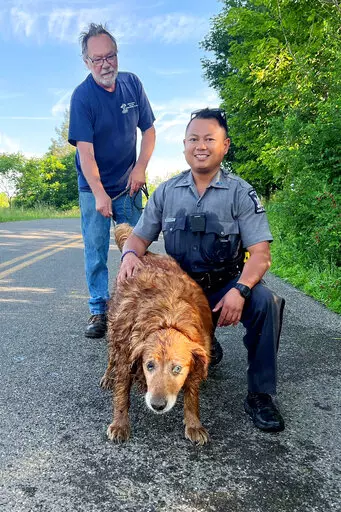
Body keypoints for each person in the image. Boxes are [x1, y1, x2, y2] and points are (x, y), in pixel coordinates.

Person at [117, 108, 285, 433]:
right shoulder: (167, 192)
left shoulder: (240, 193)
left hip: (224, 287)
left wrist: (241, 290)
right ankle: (202, 343)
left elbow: (261, 255)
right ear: (184, 146)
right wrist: (128, 255)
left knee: (267, 302)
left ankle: (261, 394)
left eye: (210, 138)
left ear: (225, 145)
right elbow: (138, 238)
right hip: (177, 292)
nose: (201, 145)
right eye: (194, 139)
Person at [68, 23, 156, 338]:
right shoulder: (82, 97)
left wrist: (140, 167)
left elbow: (149, 130)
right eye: (98, 59)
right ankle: (98, 310)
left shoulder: (132, 84)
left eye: (111, 56)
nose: (106, 64)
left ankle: (141, 306)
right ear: (87, 62)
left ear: (117, 55)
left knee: (137, 245)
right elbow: (86, 154)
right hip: (93, 187)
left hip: (129, 183)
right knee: (95, 248)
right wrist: (100, 193)